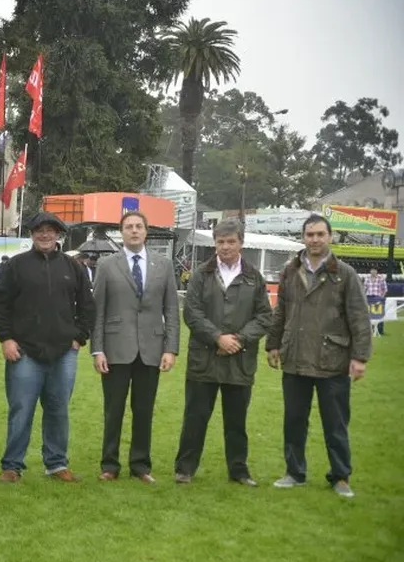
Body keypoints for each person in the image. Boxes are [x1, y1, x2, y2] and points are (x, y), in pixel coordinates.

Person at [265, 214, 372, 499]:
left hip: (332, 361)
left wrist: (360, 357)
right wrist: (273, 344)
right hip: (296, 358)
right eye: (309, 235)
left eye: (320, 234)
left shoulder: (345, 274)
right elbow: (281, 312)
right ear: (303, 237)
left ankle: (340, 476)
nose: (314, 240)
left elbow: (359, 318)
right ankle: (294, 473)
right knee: (294, 421)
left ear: (330, 237)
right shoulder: (290, 271)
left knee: (335, 424)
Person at [0, 212, 96, 483]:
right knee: (21, 409)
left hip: (63, 352)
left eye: (50, 230)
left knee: (58, 409)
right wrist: (6, 339)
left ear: (59, 234)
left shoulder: (74, 267)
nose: (45, 235)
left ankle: (56, 463)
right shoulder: (15, 266)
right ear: (32, 234)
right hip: (24, 351)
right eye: (39, 230)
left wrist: (79, 337)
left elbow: (87, 306)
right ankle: (12, 465)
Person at [173, 219, 273, 486]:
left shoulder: (254, 277)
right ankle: (185, 469)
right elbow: (191, 313)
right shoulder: (200, 275)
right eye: (220, 242)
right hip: (203, 360)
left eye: (231, 241)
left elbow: (264, 316)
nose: (225, 247)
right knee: (195, 418)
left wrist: (239, 339)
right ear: (214, 243)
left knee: (236, 422)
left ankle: (238, 471)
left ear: (241, 242)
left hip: (240, 361)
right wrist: (217, 337)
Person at [91, 210, 180, 484]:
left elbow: (171, 310)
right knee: (113, 409)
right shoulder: (107, 265)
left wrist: (170, 348)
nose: (133, 231)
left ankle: (141, 465)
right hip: (116, 348)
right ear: (122, 232)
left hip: (151, 349)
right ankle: (110, 464)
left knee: (144, 410)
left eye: (138, 226)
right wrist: (98, 349)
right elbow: (98, 310)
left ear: (146, 231)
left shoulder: (163, 265)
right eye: (128, 227)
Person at [363, 266, 388, 336]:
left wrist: (381, 298)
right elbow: (364, 288)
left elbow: (385, 289)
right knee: (369, 315)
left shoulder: (381, 278)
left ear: (377, 271)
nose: (373, 271)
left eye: (374, 270)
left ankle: (380, 331)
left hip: (378, 298)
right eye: (372, 270)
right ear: (370, 271)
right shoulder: (367, 278)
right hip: (369, 298)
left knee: (379, 314)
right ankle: (370, 330)